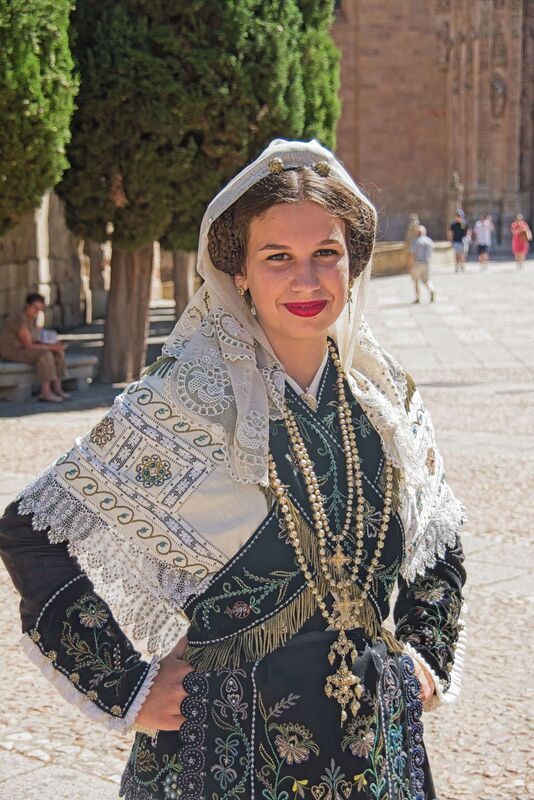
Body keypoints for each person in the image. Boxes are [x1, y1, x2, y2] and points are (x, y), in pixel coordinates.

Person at [0, 140, 466, 800]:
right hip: (221, 755)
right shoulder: (187, 403)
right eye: (278, 258)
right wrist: (124, 682)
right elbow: (31, 530)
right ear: (239, 271)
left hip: (374, 754)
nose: (306, 280)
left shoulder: (387, 400)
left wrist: (425, 654)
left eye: (325, 254)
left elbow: (441, 539)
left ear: (352, 262)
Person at [0, 292, 69, 403]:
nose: (37, 312)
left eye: (40, 309)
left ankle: (57, 389)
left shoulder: (32, 319)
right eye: (35, 308)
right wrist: (50, 347)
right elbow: (29, 344)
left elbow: (35, 340)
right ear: (27, 306)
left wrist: (55, 345)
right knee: (45, 354)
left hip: (25, 349)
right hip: (13, 351)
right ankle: (45, 392)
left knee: (58, 352)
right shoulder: (19, 318)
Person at [409, 225, 436, 303]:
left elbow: (412, 255)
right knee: (427, 281)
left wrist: (410, 265)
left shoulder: (416, 241)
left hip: (417, 263)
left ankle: (417, 298)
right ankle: (432, 290)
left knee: (416, 281)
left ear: (417, 233)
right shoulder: (429, 241)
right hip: (427, 263)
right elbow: (433, 251)